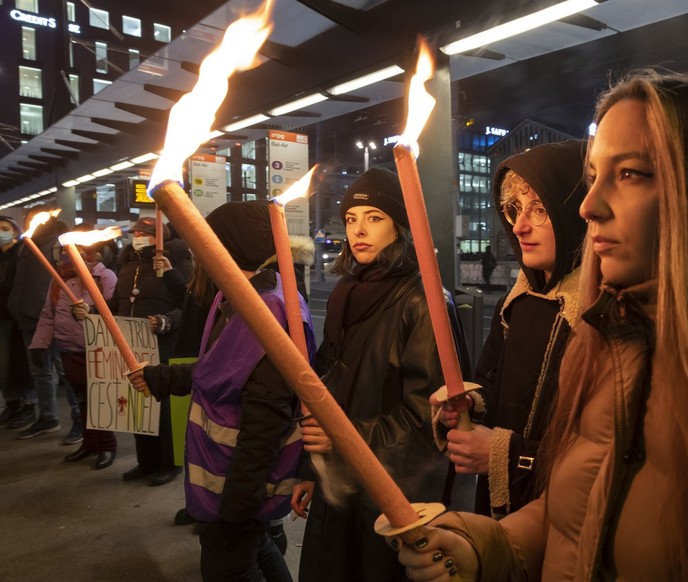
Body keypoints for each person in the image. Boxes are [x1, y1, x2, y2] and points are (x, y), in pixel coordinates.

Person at [398, 71, 688, 581]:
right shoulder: (610, 340)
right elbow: (583, 512)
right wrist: (489, 545)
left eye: (630, 174)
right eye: (594, 175)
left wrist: (500, 453)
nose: (587, 206)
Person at [292, 167, 463, 582]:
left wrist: (345, 437)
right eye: (352, 219)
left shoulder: (425, 302)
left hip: (393, 497)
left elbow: (431, 419)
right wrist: (309, 467)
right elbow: (323, 392)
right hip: (340, 485)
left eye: (374, 217)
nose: (358, 230)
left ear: (400, 227)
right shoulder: (346, 295)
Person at [129, 200, 315, 581]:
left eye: (206, 242)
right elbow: (224, 368)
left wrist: (237, 504)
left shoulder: (266, 310)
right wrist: (163, 378)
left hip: (238, 478)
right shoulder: (242, 296)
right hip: (228, 472)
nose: (198, 254)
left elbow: (268, 410)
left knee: (229, 567)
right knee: (255, 549)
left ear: (228, 246)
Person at [438, 140, 587, 519]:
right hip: (502, 509)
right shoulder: (515, 302)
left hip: (562, 519)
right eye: (514, 209)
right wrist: (469, 406)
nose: (519, 226)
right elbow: (491, 382)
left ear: (575, 211)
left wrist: (506, 454)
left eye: (539, 209)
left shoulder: (596, 315)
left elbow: (603, 456)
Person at [109, 215, 192, 486]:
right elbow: (116, 302)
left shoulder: (176, 262)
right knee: (138, 404)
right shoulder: (126, 264)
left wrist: (167, 321)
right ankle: (146, 461)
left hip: (162, 343)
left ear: (161, 237)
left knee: (163, 406)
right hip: (131, 345)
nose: (139, 235)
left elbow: (189, 303)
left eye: (146, 232)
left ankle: (170, 462)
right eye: (135, 231)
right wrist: (91, 313)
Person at [31, 238, 118, 469]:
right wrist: (39, 344)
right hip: (68, 349)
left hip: (96, 348)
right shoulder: (58, 280)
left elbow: (113, 310)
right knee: (81, 399)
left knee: (100, 398)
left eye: (74, 251)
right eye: (64, 252)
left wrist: (90, 311)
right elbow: (48, 314)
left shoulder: (104, 276)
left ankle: (107, 445)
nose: (67, 256)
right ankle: (90, 444)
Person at [7, 208, 67, 437]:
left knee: (65, 373)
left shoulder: (58, 244)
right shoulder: (26, 245)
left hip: (55, 320)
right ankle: (48, 417)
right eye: (30, 219)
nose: (34, 222)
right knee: (40, 373)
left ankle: (82, 426)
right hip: (28, 318)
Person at [0, 215, 33, 427]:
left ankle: (29, 404)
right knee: (3, 365)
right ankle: (12, 404)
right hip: (1, 317)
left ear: (14, 231)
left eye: (4, 228)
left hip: (16, 316)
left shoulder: (22, 254)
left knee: (20, 363)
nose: (1, 232)